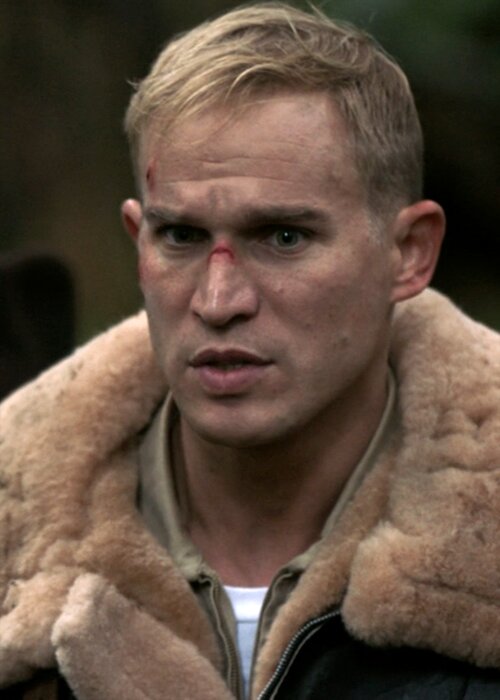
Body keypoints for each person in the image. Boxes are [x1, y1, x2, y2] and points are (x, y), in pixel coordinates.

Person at [0, 3, 499, 699]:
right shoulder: (14, 552)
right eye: (181, 237)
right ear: (138, 242)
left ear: (408, 253)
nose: (218, 300)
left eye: (283, 237)